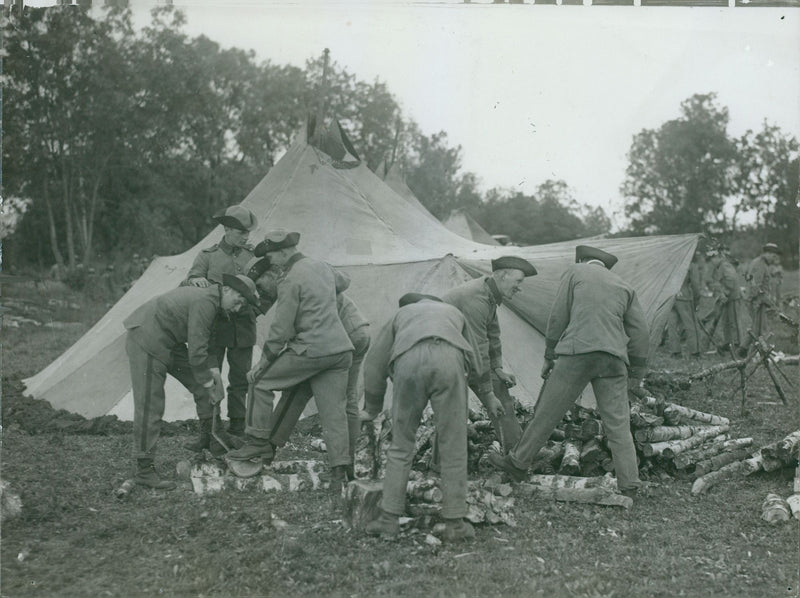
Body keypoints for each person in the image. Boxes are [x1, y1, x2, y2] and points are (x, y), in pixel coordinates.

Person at [487, 245, 649, 498]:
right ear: (604, 265)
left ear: (583, 260)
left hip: (578, 352)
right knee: (618, 423)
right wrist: (637, 373)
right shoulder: (624, 286)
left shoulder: (575, 272)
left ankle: (518, 463)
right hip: (614, 360)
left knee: (547, 412)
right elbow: (640, 332)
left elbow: (559, 314)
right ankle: (629, 483)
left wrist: (550, 354)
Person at [227, 229, 354, 492]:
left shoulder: (289, 279)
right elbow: (345, 281)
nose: (271, 261)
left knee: (259, 382)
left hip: (312, 350)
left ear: (284, 252)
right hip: (340, 350)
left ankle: (257, 441)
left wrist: (263, 363)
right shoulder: (321, 266)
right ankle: (340, 472)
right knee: (334, 413)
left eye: (272, 255)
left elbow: (281, 330)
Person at [361, 293, 490, 541]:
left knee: (401, 445)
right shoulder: (453, 312)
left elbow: (374, 364)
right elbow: (476, 363)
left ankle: (388, 521)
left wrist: (373, 407)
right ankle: (454, 523)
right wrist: (467, 380)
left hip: (409, 360)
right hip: (449, 360)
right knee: (453, 446)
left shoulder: (401, 314)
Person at [123, 274, 260, 489]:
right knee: (151, 403)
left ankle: (211, 436)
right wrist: (208, 383)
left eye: (242, 304)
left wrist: (215, 381)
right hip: (147, 337)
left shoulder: (216, 304)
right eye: (238, 301)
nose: (237, 308)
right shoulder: (206, 301)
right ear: (227, 290)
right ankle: (144, 469)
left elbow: (209, 347)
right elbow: (197, 352)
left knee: (204, 386)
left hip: (171, 341)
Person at [265, 270, 370, 480]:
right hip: (357, 329)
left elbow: (289, 334)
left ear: (272, 276)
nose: (263, 293)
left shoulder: (293, 287)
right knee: (345, 400)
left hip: (339, 338)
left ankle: (267, 449)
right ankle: (347, 464)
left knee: (298, 391)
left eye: (261, 286)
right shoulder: (315, 277)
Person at [441, 256, 537, 451]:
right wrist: (488, 394)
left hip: (458, 350)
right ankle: (440, 463)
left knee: (497, 385)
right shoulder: (475, 298)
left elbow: (492, 335)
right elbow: (478, 346)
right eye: (518, 281)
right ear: (502, 276)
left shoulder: (489, 294)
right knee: (454, 406)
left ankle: (516, 452)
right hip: (440, 353)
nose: (520, 288)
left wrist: (498, 369)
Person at [183, 205, 259, 439]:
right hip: (215, 327)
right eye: (241, 232)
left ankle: (237, 426)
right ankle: (212, 427)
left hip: (244, 326)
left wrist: (256, 310)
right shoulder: (208, 256)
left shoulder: (253, 256)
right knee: (212, 375)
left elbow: (266, 289)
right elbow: (191, 281)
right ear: (226, 229)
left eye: (247, 233)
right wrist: (195, 281)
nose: (246, 237)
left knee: (241, 378)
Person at [706, 246, 746, 357]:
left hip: (732, 298)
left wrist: (725, 293)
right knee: (726, 322)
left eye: (713, 258)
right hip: (727, 299)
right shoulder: (721, 266)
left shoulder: (725, 265)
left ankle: (738, 345)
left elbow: (731, 280)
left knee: (734, 323)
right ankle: (729, 343)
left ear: (719, 257)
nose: (712, 261)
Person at [666, 252, 702, 358]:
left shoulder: (671, 263)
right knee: (690, 325)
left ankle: (675, 351)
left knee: (672, 325)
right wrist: (697, 301)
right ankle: (695, 352)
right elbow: (696, 285)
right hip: (684, 297)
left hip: (671, 297)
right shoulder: (691, 265)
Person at [745, 243, 781, 344]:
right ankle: (752, 353)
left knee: (756, 329)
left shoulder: (761, 263)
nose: (774, 259)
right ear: (767, 253)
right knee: (759, 330)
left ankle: (743, 350)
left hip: (759, 300)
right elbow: (756, 286)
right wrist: (769, 303)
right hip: (756, 301)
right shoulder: (759, 264)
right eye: (773, 256)